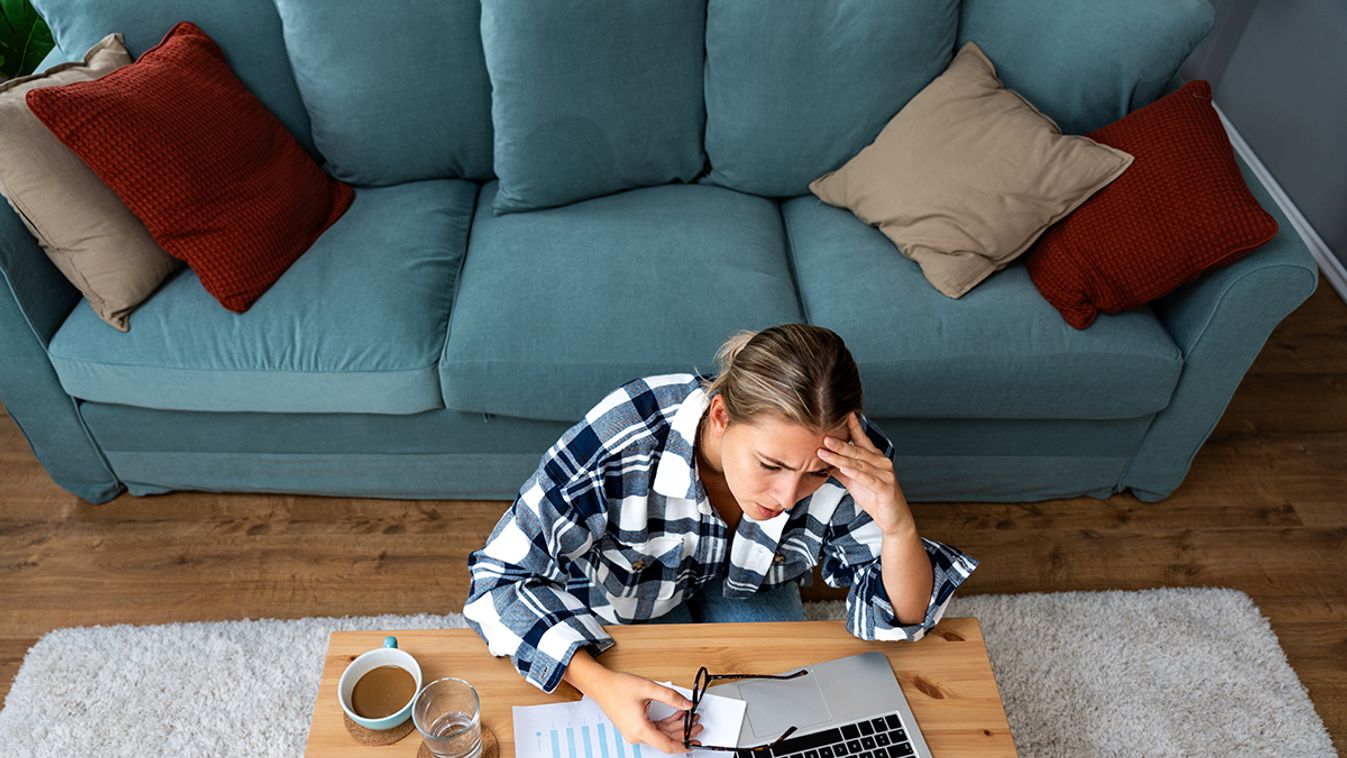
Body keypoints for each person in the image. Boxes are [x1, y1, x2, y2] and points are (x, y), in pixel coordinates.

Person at [464, 324, 977, 752]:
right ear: (720, 416)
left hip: (752, 584)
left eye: (814, 475)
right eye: (770, 464)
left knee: (783, 725)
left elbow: (906, 616)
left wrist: (898, 524)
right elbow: (497, 579)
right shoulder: (621, 439)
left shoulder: (844, 456)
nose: (787, 495)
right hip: (627, 594)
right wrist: (599, 685)